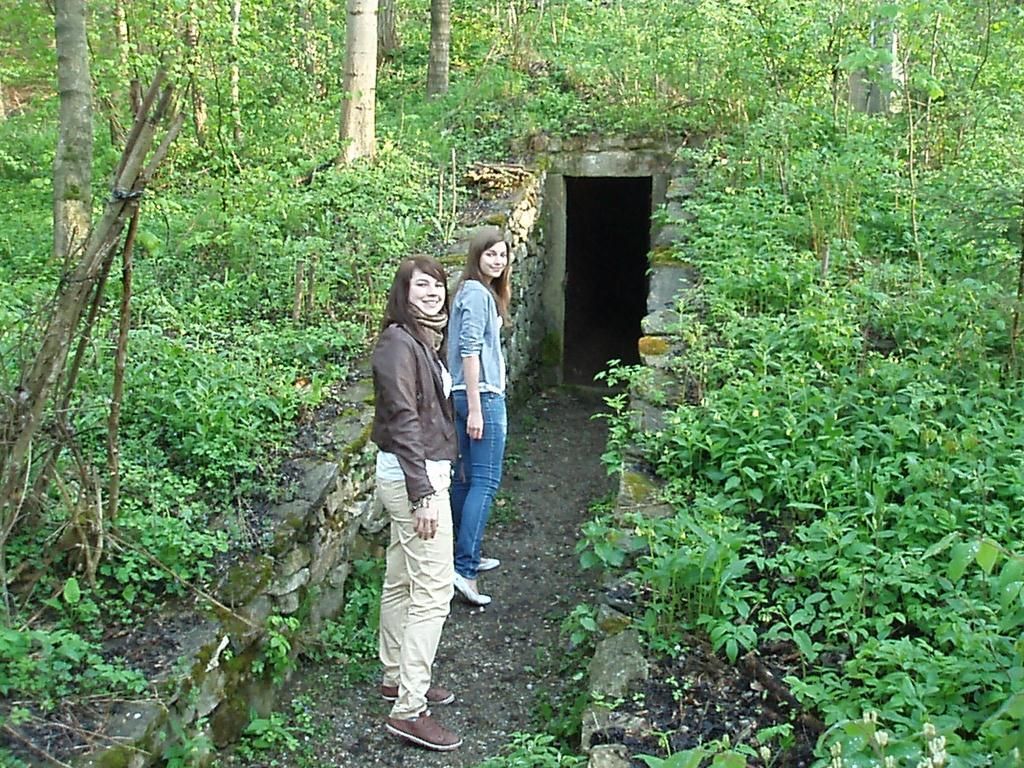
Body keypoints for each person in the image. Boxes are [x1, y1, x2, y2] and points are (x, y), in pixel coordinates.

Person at [371, 256, 462, 752]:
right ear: (403, 292)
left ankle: (394, 676)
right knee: (434, 589)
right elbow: (404, 420)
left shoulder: (422, 341)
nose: (432, 292)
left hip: (412, 476)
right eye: (421, 285)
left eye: (438, 285)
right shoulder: (397, 345)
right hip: (416, 480)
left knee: (402, 578)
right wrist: (423, 492)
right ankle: (409, 708)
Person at [447, 226, 511, 606]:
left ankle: (462, 554)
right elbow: (469, 350)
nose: (498, 260)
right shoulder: (474, 292)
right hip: (481, 396)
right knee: (485, 482)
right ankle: (465, 568)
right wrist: (474, 407)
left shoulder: (478, 292)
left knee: (467, 480)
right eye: (491, 254)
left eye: (503, 255)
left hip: (468, 395)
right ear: (476, 256)